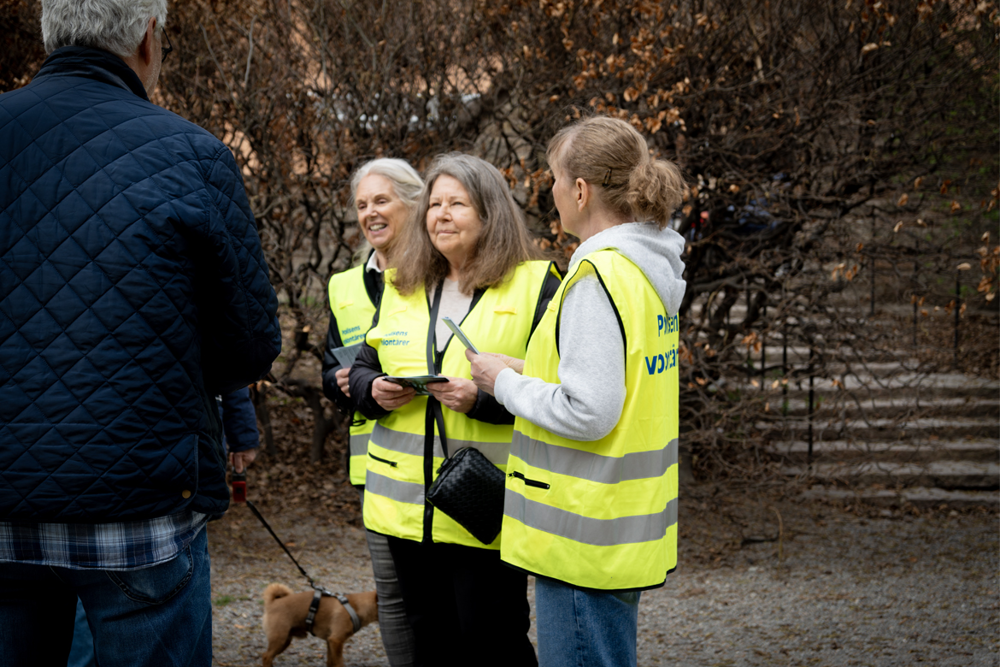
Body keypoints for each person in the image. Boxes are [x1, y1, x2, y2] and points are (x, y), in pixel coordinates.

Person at [0, 1, 282, 665]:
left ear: (49, 33)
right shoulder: (192, 153)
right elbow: (248, 345)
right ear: (149, 39)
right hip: (140, 508)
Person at [468, 116, 687, 667]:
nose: (553, 193)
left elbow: (590, 410)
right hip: (618, 525)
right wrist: (525, 367)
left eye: (556, 180)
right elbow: (612, 377)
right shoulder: (642, 269)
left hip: (580, 537)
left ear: (582, 190)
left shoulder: (597, 278)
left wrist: (504, 384)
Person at [349, 153, 561, 667]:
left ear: (489, 213)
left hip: (485, 504)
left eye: (457, 204)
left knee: (492, 639)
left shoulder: (537, 285)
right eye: (434, 204)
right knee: (431, 640)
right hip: (405, 509)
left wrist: (483, 400)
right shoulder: (402, 283)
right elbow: (360, 367)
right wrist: (373, 389)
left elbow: (559, 394)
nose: (441, 214)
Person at [321, 158, 423, 666]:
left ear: (414, 202)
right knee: (395, 600)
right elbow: (329, 366)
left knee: (448, 601)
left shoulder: (440, 273)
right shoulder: (343, 286)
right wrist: (343, 384)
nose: (370, 213)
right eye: (362, 205)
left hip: (439, 459)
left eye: (381, 200)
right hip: (375, 468)